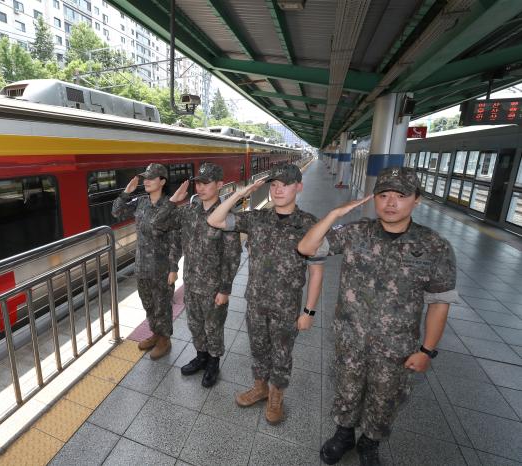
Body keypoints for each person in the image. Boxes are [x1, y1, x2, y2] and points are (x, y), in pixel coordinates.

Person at [297, 167, 459, 466]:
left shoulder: (434, 246)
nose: (391, 202)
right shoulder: (356, 232)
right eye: (383, 195)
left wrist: (427, 350)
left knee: (385, 399)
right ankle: (343, 434)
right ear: (374, 199)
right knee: (346, 389)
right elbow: (306, 247)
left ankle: (370, 443)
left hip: (396, 347)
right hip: (350, 339)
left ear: (417, 200)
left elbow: (439, 303)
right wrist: (334, 215)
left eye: (401, 196)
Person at [207, 162, 325, 424]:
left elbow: (316, 271)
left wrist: (309, 311)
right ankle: (260, 388)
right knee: (258, 348)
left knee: (282, 353)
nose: (278, 190)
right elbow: (214, 219)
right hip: (256, 301)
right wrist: (240, 194)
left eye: (285, 184)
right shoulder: (258, 219)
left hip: (287, 306)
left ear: (299, 187)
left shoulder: (308, 224)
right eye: (274, 185)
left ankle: (276, 396)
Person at [150, 162, 241, 387]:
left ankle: (213, 363)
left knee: (214, 326)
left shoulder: (228, 216)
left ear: (219, 184)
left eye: (206, 183)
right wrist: (173, 200)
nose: (200, 187)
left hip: (214, 286)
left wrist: (225, 289)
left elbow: (232, 255)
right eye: (198, 183)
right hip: (191, 282)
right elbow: (158, 223)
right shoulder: (189, 212)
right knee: (195, 324)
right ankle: (201, 356)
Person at [112, 163, 178, 359]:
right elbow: (116, 212)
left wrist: (174, 268)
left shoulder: (170, 205)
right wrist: (126, 193)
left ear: (162, 181)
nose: (146, 181)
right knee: (148, 303)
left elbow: (176, 239)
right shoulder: (140, 202)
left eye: (151, 178)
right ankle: (155, 333)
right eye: (145, 178)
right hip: (142, 265)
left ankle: (165, 339)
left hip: (162, 267)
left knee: (162, 305)